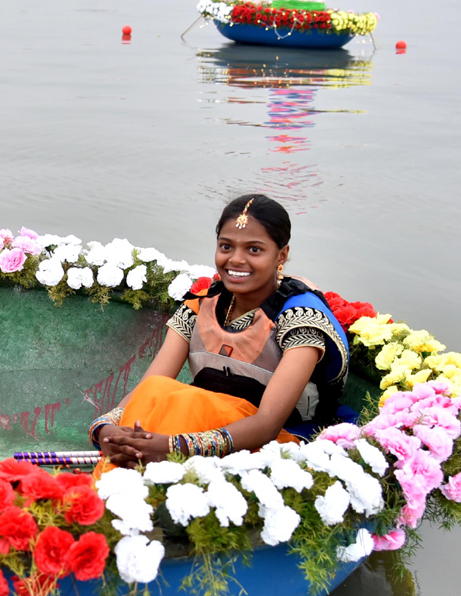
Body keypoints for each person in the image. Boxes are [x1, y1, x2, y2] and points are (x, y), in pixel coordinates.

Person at [91, 194, 349, 469]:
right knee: (160, 391)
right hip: (198, 426)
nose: (236, 260)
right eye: (226, 246)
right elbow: (148, 388)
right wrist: (108, 429)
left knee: (185, 405)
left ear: (281, 255)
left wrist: (174, 447)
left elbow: (267, 425)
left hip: (281, 446)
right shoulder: (198, 307)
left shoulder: (301, 319)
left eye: (254, 250)